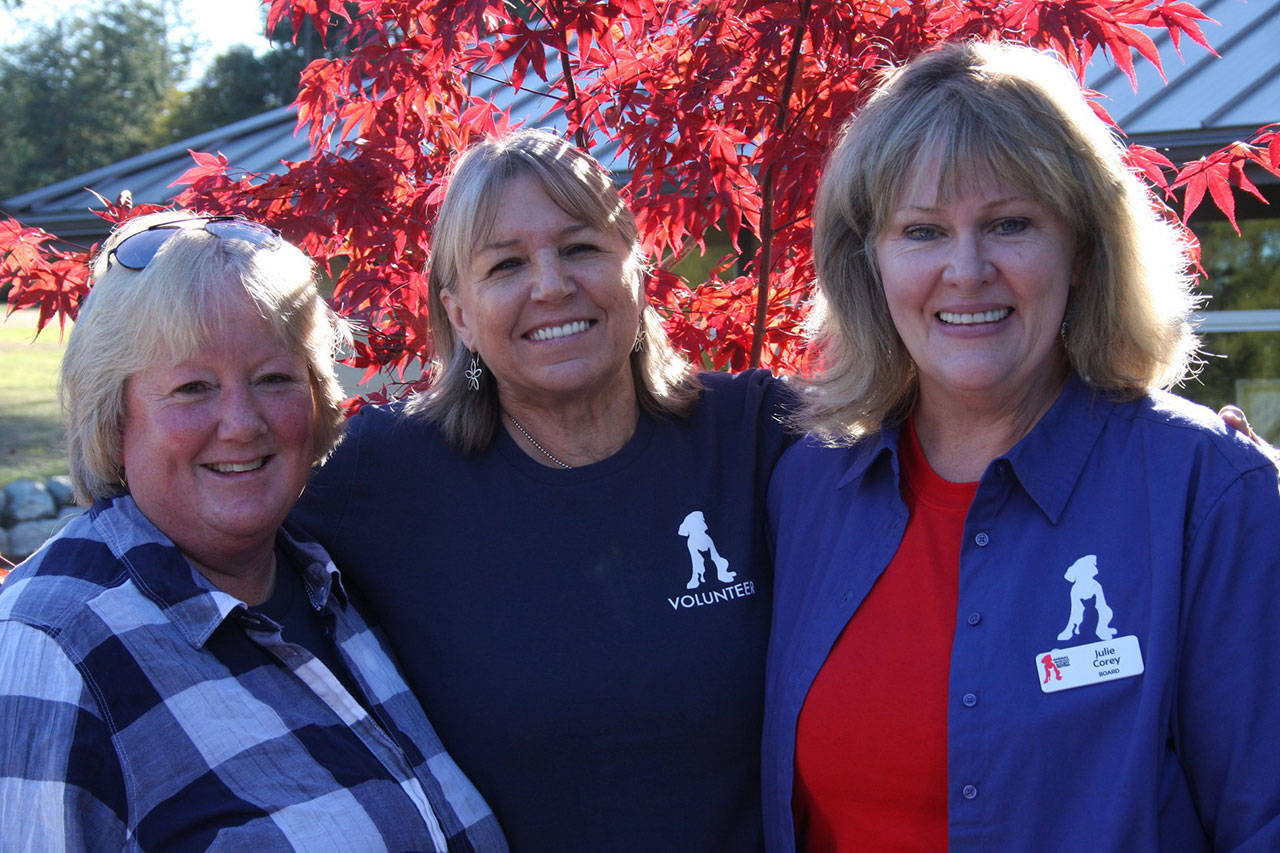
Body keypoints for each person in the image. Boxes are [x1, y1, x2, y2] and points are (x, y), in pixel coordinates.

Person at [763, 41, 1280, 851]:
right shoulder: (808, 488)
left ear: (1081, 248)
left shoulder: (1206, 494)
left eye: (1010, 223)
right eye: (923, 231)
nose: (966, 271)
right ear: (870, 263)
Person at [292, 129, 793, 850]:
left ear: (637, 266)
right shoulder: (382, 478)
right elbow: (208, 536)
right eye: (506, 264)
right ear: (459, 312)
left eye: (582, 247)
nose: (553, 283)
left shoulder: (754, 435)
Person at [0, 211, 507, 850]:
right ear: (115, 414)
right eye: (192, 388)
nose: (241, 423)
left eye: (273, 379)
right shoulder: (50, 651)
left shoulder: (338, 586)